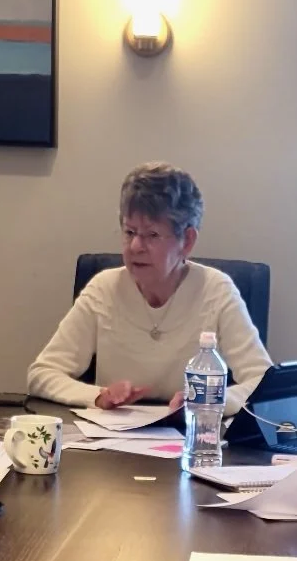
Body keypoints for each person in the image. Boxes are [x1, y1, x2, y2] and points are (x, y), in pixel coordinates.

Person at [27, 162, 271, 415]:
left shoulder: (216, 291)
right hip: (113, 444)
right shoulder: (104, 289)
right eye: (129, 231)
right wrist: (99, 396)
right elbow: (42, 374)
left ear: (186, 241)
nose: (135, 247)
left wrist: (208, 401)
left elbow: (263, 384)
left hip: (193, 442)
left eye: (152, 235)